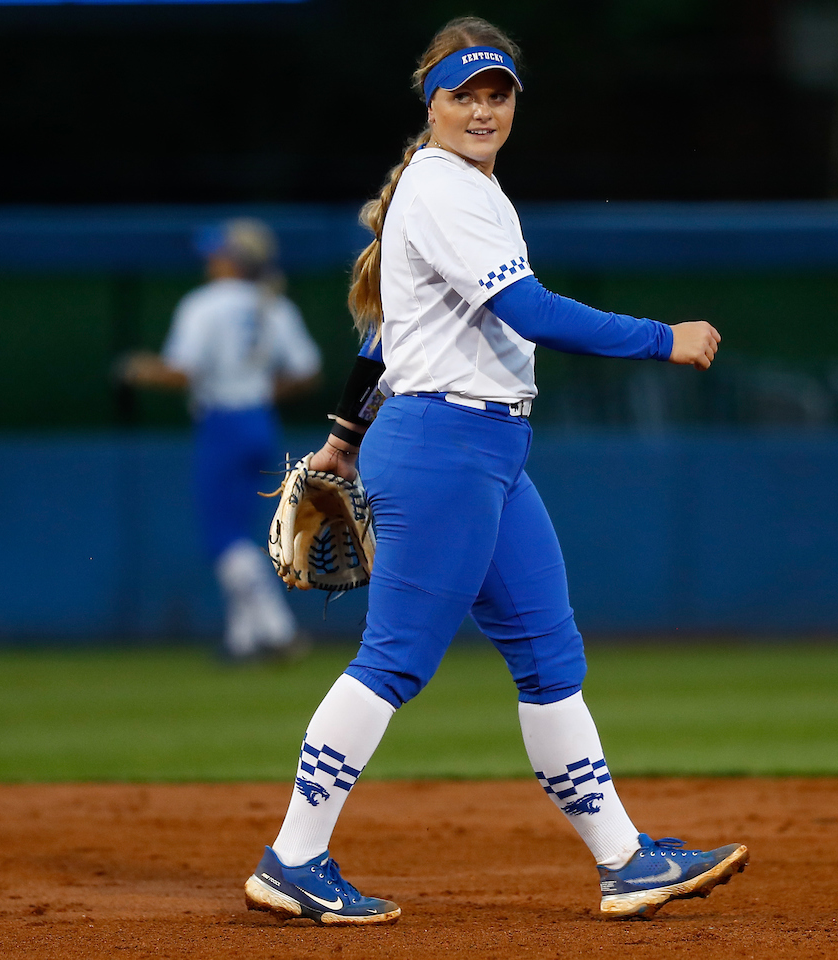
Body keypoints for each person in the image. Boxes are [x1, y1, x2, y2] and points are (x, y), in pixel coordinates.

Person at [242, 17, 748, 924]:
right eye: (462, 94)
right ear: (429, 104)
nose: (481, 109)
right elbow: (528, 309)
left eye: (497, 93)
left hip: (487, 452)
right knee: (394, 660)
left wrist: (345, 440)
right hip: (443, 447)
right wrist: (660, 339)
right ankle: (293, 856)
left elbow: (382, 333)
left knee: (551, 658)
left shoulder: (464, 188)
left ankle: (626, 861)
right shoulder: (445, 190)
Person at [116, 218, 321, 661]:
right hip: (259, 421)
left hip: (223, 423)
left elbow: (182, 371)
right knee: (241, 535)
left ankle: (277, 631)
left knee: (223, 538)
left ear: (233, 261)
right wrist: (261, 390)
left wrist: (140, 370)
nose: (210, 260)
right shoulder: (273, 305)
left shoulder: (204, 305)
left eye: (218, 253)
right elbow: (307, 370)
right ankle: (242, 640)